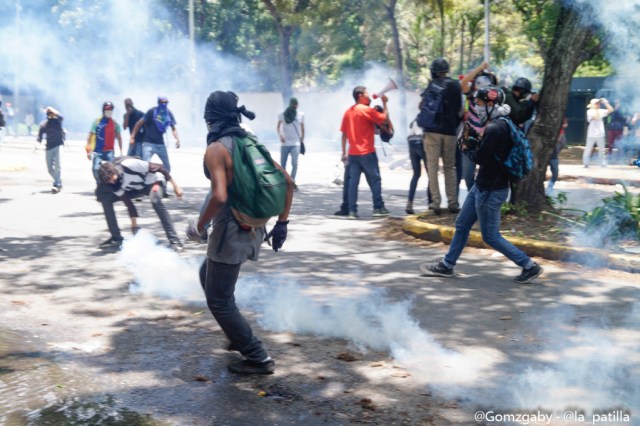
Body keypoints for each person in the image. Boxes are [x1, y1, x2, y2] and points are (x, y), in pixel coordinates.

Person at [187, 90, 294, 375]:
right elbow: (287, 180)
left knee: (218, 300)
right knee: (206, 275)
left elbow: (220, 195)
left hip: (231, 230)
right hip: (254, 226)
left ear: (209, 118)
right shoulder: (249, 141)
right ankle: (236, 335)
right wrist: (282, 222)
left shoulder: (217, 149)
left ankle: (257, 356)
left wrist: (199, 227)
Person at [420, 85, 543, 284]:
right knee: (462, 224)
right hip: (483, 186)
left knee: (490, 236)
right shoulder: (503, 123)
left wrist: (465, 146)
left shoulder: (496, 128)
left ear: (490, 103)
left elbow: (481, 158)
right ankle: (447, 265)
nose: (475, 108)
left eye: (477, 103)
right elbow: (489, 155)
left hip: (491, 190)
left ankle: (529, 266)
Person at [96, 157, 184, 251]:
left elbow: (160, 168)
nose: (112, 182)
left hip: (154, 181)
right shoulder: (113, 184)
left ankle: (175, 240)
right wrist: (134, 227)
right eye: (109, 181)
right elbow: (128, 204)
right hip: (137, 188)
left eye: (111, 179)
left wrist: (176, 186)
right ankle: (116, 238)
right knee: (105, 199)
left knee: (155, 201)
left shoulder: (130, 164)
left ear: (113, 171)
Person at [339, 86, 391, 219]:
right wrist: (385, 103)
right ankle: (378, 208)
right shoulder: (367, 110)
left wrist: (343, 153)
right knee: (375, 180)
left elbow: (344, 134)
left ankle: (352, 211)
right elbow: (384, 119)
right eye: (366, 93)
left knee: (353, 183)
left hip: (353, 154)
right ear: (360, 95)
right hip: (367, 152)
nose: (369, 95)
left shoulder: (348, 112)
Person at [458, 62, 510, 192]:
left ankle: (480, 201)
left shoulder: (493, 98)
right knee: (468, 175)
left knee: (487, 174)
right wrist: (479, 68)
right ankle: (474, 200)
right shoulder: (471, 94)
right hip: (470, 137)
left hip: (486, 138)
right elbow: (462, 84)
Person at [420, 58, 463, 214]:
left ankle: (436, 202)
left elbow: (422, 106)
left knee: (432, 167)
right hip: (450, 132)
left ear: (434, 71)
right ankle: (453, 202)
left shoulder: (433, 85)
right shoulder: (456, 85)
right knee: (450, 167)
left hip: (432, 132)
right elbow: (460, 109)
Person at [130, 96, 180, 172]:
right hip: (148, 143)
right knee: (145, 166)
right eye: (162, 102)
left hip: (160, 144)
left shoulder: (168, 114)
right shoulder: (152, 111)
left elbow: (173, 128)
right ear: (158, 103)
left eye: (165, 103)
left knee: (167, 167)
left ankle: (163, 182)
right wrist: (132, 137)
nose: (164, 104)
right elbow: (139, 123)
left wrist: (177, 139)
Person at [86, 102, 123, 183]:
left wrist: (121, 151)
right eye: (107, 110)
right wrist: (88, 150)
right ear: (103, 111)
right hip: (98, 151)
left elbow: (119, 137)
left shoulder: (115, 123)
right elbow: (90, 136)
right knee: (96, 169)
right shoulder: (96, 122)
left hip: (109, 151)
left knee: (112, 170)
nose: (109, 112)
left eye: (110, 110)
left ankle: (110, 186)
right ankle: (100, 184)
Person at [277, 97, 304, 191]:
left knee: (295, 164)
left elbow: (302, 128)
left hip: (295, 143)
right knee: (283, 165)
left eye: (296, 104)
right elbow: (278, 127)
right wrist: (281, 135)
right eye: (294, 104)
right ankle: (284, 182)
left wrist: (302, 140)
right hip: (285, 144)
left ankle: (292, 182)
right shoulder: (282, 115)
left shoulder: (300, 115)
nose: (295, 106)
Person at [406, 119, 432, 214]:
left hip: (411, 142)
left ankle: (409, 203)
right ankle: (430, 204)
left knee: (416, 174)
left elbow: (410, 126)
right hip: (421, 142)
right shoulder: (428, 116)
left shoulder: (415, 120)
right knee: (431, 174)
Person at [37, 107, 65, 193]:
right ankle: (58, 180)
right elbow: (39, 137)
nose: (52, 115)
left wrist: (53, 110)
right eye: (50, 113)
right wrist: (36, 145)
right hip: (49, 147)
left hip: (58, 145)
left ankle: (56, 184)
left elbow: (61, 117)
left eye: (52, 113)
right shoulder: (44, 124)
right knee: (49, 169)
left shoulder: (57, 121)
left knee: (57, 165)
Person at [583, 98, 613, 167]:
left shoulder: (601, 111)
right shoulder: (589, 111)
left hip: (600, 133)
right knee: (588, 149)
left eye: (599, 103)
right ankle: (586, 163)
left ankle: (602, 163)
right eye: (597, 103)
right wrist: (596, 109)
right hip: (591, 134)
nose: (598, 104)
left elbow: (611, 110)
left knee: (602, 150)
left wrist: (605, 103)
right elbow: (595, 117)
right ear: (593, 104)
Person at [546, 117, 568, 196]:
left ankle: (549, 189)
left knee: (555, 173)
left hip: (553, 155)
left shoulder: (560, 118)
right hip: (546, 154)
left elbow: (561, 140)